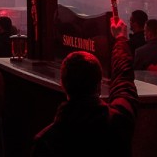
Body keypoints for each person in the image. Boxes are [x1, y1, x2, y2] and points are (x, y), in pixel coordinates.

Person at [31, 17, 137, 156]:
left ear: (63, 85)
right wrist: (121, 39)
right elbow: (124, 79)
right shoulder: (119, 121)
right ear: (99, 85)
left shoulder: (46, 141)